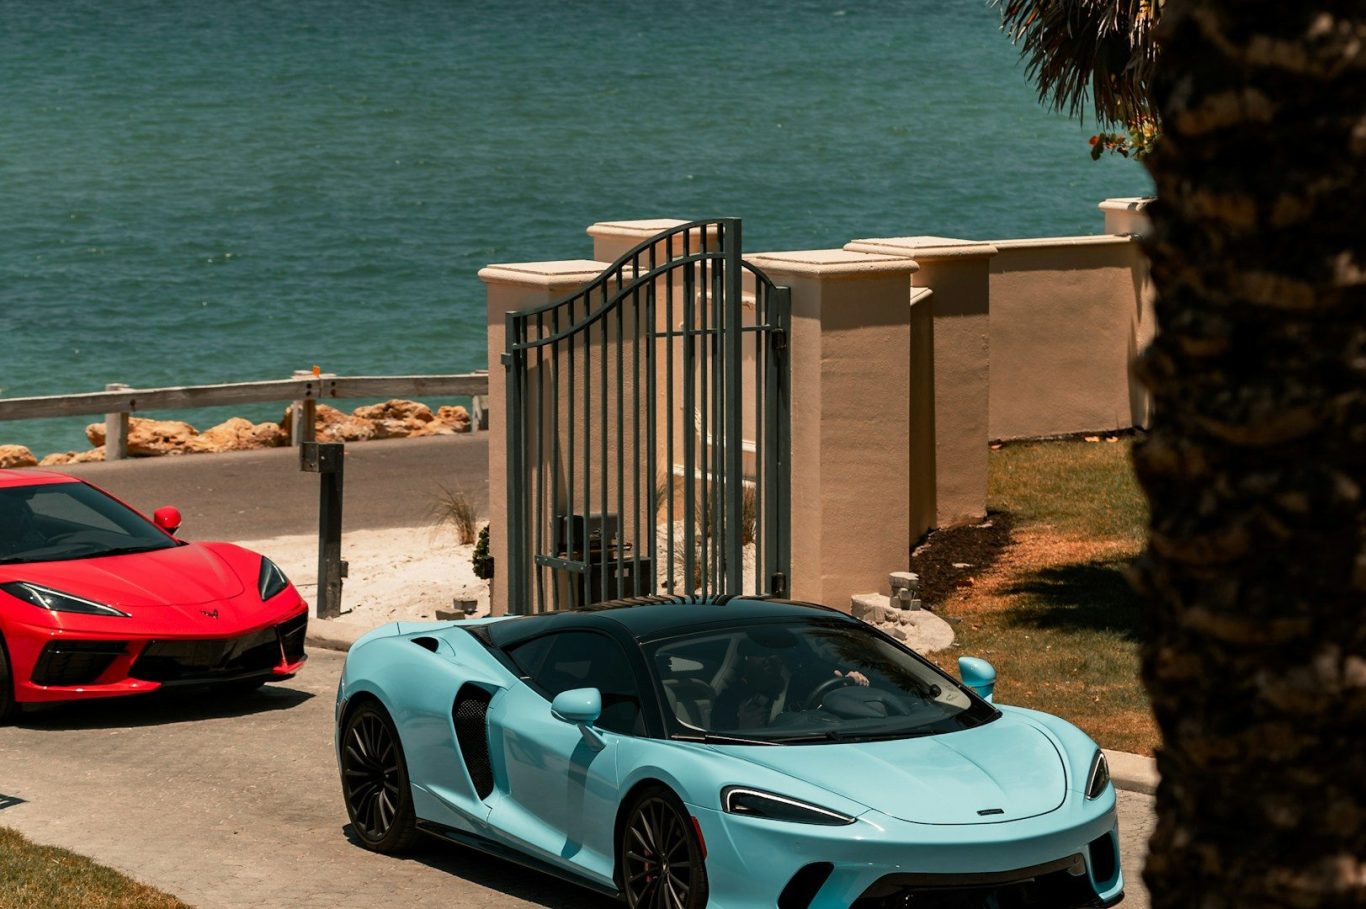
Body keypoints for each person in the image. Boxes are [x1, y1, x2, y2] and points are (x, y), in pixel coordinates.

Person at [713, 638, 869, 730]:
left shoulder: (801, 686)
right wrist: (745, 727)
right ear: (747, 659)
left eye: (774, 654)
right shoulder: (729, 699)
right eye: (760, 653)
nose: (769, 659)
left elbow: (829, 710)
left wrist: (848, 689)